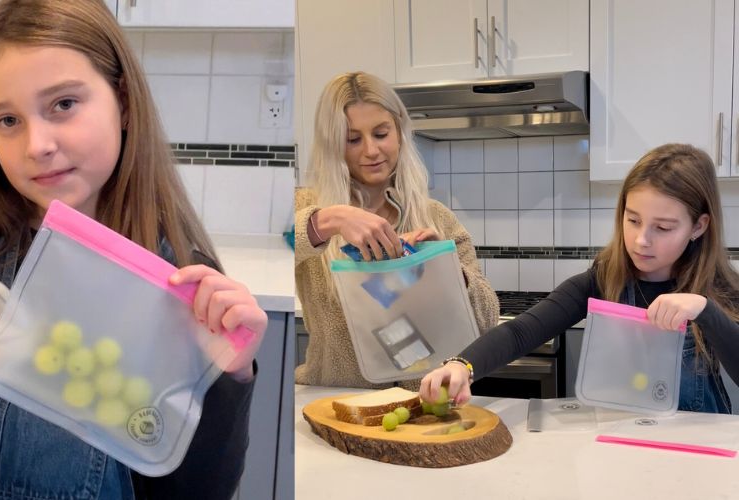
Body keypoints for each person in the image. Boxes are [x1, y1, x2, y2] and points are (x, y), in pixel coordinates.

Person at [0, 0, 267, 497]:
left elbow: (199, 491)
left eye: (63, 104)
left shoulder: (181, 285)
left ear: (123, 101)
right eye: (8, 120)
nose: (36, 144)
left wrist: (231, 373)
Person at [421, 143, 739, 414]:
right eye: (633, 220)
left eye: (663, 227)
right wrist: (462, 365)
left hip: (696, 446)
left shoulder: (719, 288)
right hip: (620, 437)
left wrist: (706, 310)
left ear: (698, 226)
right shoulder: (602, 279)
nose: (642, 239)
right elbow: (521, 332)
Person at [294, 71, 499, 389]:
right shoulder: (305, 208)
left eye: (380, 133)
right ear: (333, 145)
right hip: (333, 405)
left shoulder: (437, 219)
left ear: (400, 133)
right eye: (352, 139)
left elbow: (486, 322)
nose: (371, 150)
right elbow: (266, 255)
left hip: (424, 407)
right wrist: (330, 220)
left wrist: (446, 272)